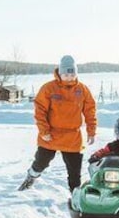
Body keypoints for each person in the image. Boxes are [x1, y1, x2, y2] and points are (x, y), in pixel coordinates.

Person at [18, 55, 97, 192]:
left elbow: (90, 110)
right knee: (41, 162)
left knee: (74, 170)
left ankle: (75, 195)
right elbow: (40, 111)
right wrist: (44, 132)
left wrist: (91, 131)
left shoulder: (82, 90)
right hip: (50, 135)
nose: (69, 77)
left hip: (72, 136)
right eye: (66, 74)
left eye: (72, 73)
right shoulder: (49, 88)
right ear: (60, 73)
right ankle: (31, 176)